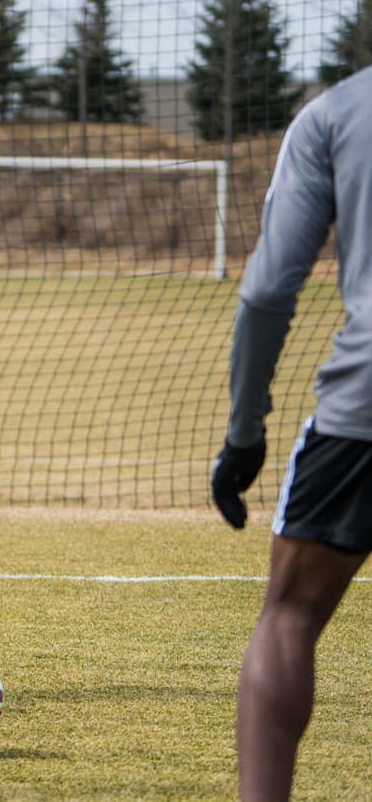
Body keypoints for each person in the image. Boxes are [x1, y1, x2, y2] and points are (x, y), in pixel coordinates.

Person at [212, 65, 372, 801]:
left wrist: (246, 431)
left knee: (292, 613)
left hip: (363, 412)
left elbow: (268, 289)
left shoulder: (338, 111)